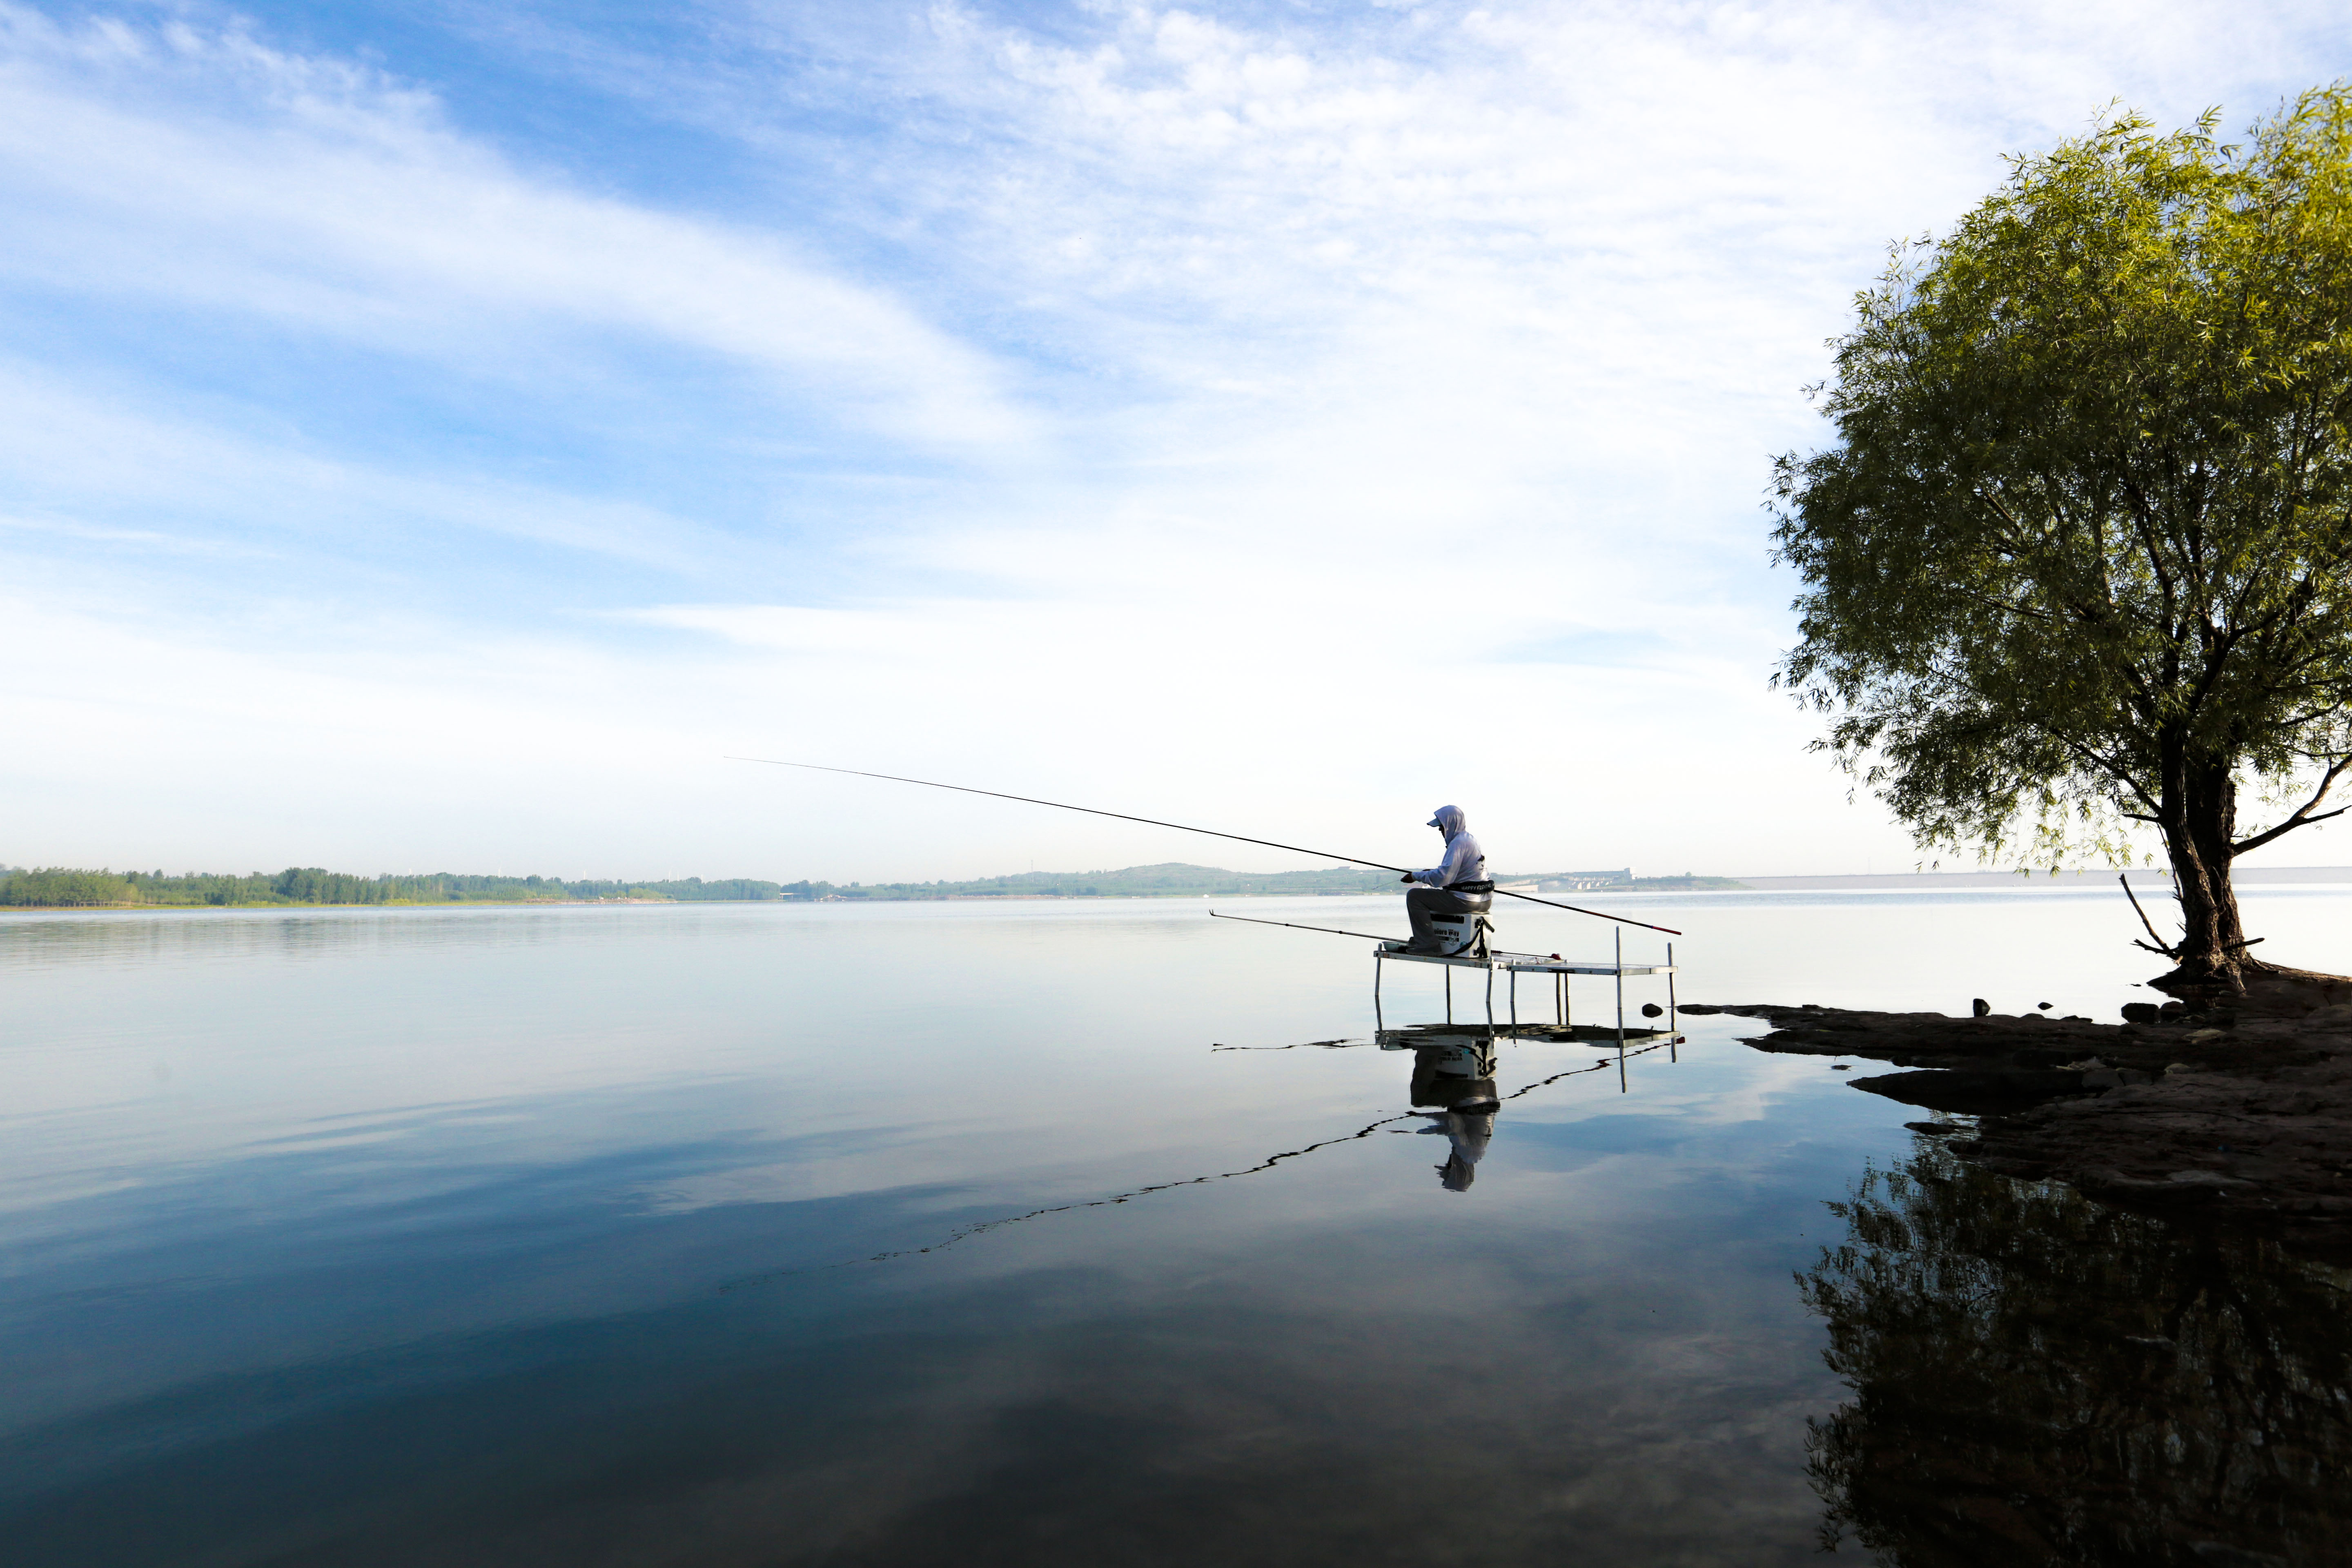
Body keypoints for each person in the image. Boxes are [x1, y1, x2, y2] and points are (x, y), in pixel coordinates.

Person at [1400, 804, 1494, 955]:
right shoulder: (1470, 840)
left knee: (1415, 897)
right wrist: (1431, 873)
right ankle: (1430, 939)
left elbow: (1443, 879)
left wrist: (1415, 876)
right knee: (1432, 897)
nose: (1440, 830)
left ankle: (1428, 945)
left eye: (1441, 826)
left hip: (1466, 901)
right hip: (1484, 901)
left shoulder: (1457, 844)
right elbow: (1456, 873)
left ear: (1451, 824)